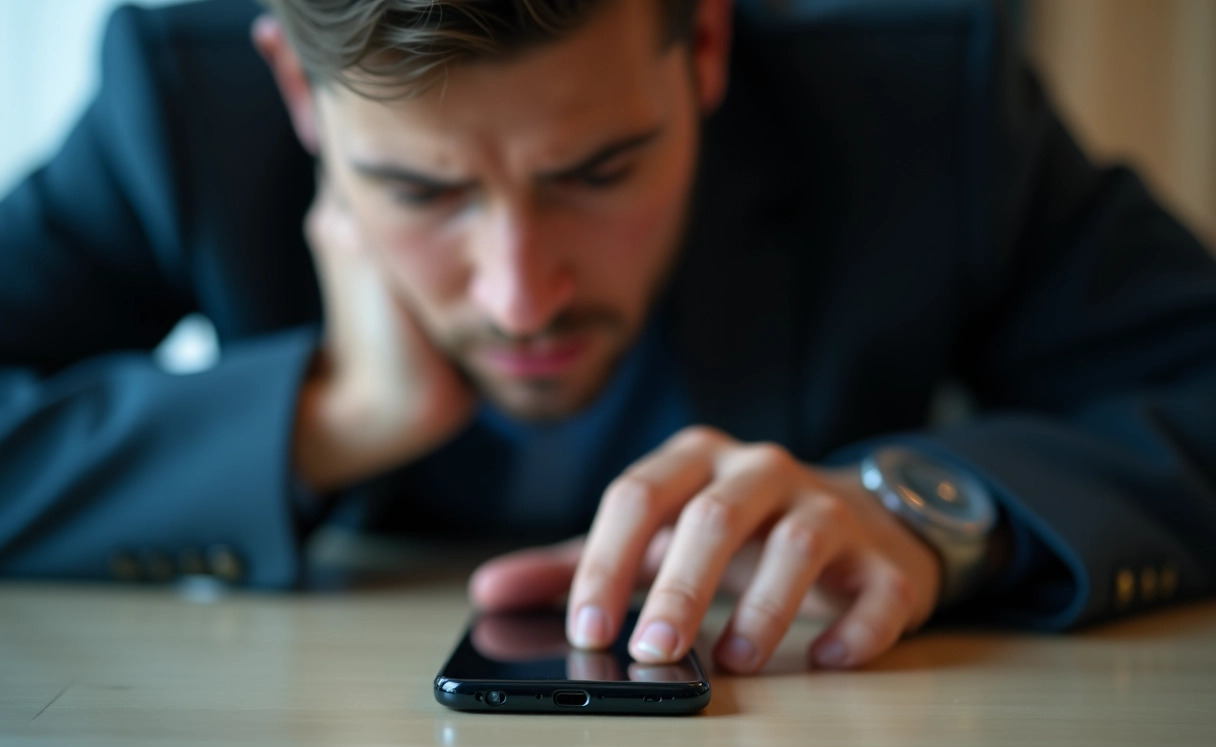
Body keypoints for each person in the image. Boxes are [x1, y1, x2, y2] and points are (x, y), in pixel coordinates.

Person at [1, 0, 1214, 675]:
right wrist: (334, 416)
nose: (520, 297)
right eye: (423, 192)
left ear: (705, 46)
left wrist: (927, 508)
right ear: (298, 94)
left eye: (599, 170)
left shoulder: (926, 106)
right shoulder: (174, 108)